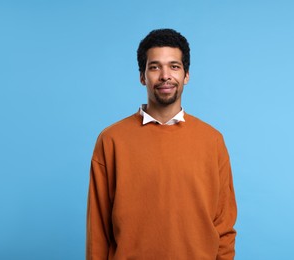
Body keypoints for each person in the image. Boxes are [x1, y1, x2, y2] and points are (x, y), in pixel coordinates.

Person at [86, 28, 237, 259]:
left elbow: (224, 227)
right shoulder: (111, 140)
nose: (165, 75)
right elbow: (97, 231)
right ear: (142, 76)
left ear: (186, 75)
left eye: (174, 66)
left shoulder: (213, 141)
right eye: (155, 67)